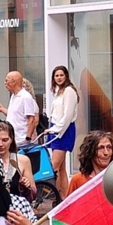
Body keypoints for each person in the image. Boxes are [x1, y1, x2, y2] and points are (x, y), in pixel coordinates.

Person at [44, 66, 79, 199]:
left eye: (61, 75)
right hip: (55, 128)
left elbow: (67, 115)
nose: (59, 78)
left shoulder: (69, 91)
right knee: (62, 168)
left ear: (66, 76)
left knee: (54, 166)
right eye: (56, 75)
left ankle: (47, 194)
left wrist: (54, 130)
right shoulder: (59, 91)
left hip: (63, 130)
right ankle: (64, 197)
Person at [0, 120, 36, 200]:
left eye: (5, 140)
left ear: (11, 139)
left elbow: (33, 195)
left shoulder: (22, 160)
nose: (0, 144)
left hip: (16, 210)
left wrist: (26, 188)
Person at [0, 71, 38, 147]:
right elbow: (15, 115)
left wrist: (28, 138)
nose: (5, 83)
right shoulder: (13, 96)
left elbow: (32, 119)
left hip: (22, 142)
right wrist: (2, 109)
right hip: (13, 140)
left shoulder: (25, 97)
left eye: (6, 80)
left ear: (13, 82)